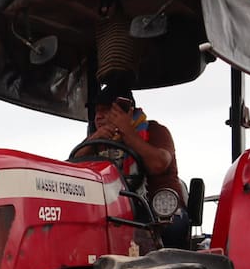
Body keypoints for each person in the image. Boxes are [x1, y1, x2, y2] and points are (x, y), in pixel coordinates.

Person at [73, 82, 189, 248]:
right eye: (97, 111)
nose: (98, 116)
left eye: (106, 110)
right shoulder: (96, 142)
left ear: (127, 111)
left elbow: (158, 164)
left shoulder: (155, 131)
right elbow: (73, 167)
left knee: (172, 230)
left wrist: (127, 132)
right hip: (114, 211)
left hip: (158, 209)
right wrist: (94, 139)